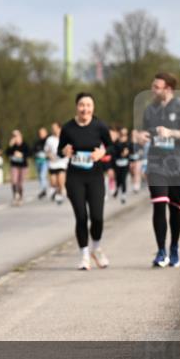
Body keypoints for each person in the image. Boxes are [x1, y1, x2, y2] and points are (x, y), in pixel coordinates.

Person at [136, 72, 180, 268]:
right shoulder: (150, 110)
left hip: (178, 164)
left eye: (157, 87)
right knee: (159, 203)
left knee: (175, 207)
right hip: (156, 163)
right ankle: (161, 250)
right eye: (152, 86)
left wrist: (171, 133)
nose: (153, 90)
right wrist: (141, 137)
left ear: (168, 89)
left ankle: (174, 247)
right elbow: (146, 132)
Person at [58, 93, 113, 270]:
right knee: (81, 216)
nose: (85, 109)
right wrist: (64, 151)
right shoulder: (68, 128)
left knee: (97, 217)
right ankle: (84, 255)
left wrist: (102, 152)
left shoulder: (100, 126)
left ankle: (96, 248)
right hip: (75, 177)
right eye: (82, 105)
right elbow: (60, 149)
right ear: (77, 106)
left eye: (89, 105)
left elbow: (112, 146)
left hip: (95, 176)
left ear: (93, 107)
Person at [45, 122, 68, 204]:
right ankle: (57, 192)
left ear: (59, 128)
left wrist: (66, 154)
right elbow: (46, 151)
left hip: (62, 163)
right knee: (53, 182)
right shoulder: (49, 139)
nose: (53, 129)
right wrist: (49, 155)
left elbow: (69, 149)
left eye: (55, 128)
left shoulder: (65, 138)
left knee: (61, 182)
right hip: (52, 164)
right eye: (52, 128)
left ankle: (59, 195)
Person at [5, 130, 30, 206]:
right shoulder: (12, 145)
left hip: (23, 166)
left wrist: (21, 155)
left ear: (20, 136)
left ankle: (20, 197)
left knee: (20, 183)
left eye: (17, 136)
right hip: (14, 165)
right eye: (14, 136)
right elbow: (7, 153)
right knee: (14, 181)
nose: (15, 138)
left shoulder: (24, 145)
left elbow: (29, 153)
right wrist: (10, 145)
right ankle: (15, 195)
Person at [111, 127, 132, 204]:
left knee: (123, 179)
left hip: (125, 164)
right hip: (117, 163)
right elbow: (113, 152)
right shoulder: (116, 142)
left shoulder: (128, 142)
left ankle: (123, 195)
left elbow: (131, 152)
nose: (123, 135)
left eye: (125, 133)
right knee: (118, 179)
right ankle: (117, 189)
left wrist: (127, 153)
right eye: (122, 133)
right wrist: (120, 154)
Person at [33, 126, 50, 199]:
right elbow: (33, 151)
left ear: (46, 133)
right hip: (38, 161)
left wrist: (46, 154)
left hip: (45, 161)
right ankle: (44, 188)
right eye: (40, 133)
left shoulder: (49, 141)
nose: (41, 134)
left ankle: (44, 190)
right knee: (40, 176)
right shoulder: (37, 142)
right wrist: (36, 154)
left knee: (43, 175)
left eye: (42, 133)